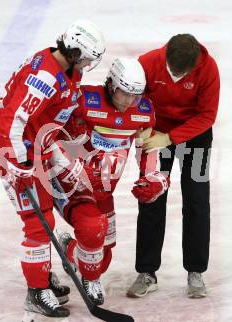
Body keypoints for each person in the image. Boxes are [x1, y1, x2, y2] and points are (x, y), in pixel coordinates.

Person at [0, 20, 105, 319]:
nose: (88, 64)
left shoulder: (66, 69)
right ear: (75, 50)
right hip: (13, 153)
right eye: (88, 58)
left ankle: (41, 274)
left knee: (46, 217)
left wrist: (54, 154)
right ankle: (36, 292)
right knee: (39, 223)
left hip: (35, 149)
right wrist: (18, 165)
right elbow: (10, 124)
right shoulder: (45, 77)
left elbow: (41, 122)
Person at [53, 57, 169, 305]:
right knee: (94, 235)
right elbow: (52, 129)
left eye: (135, 96)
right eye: (124, 93)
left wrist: (151, 177)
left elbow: (146, 147)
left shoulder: (144, 111)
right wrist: (66, 164)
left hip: (105, 192)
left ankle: (70, 248)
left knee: (102, 259)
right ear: (110, 84)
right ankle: (89, 278)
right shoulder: (84, 99)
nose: (129, 102)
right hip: (75, 186)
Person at [126, 34, 220, 299]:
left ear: (195, 64)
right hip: (156, 135)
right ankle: (146, 272)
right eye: (171, 71)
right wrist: (143, 129)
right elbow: (135, 101)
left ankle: (196, 271)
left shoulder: (209, 68)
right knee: (150, 197)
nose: (176, 76)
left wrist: (171, 138)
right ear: (165, 55)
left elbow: (207, 115)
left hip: (196, 138)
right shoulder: (147, 63)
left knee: (197, 201)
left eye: (182, 74)